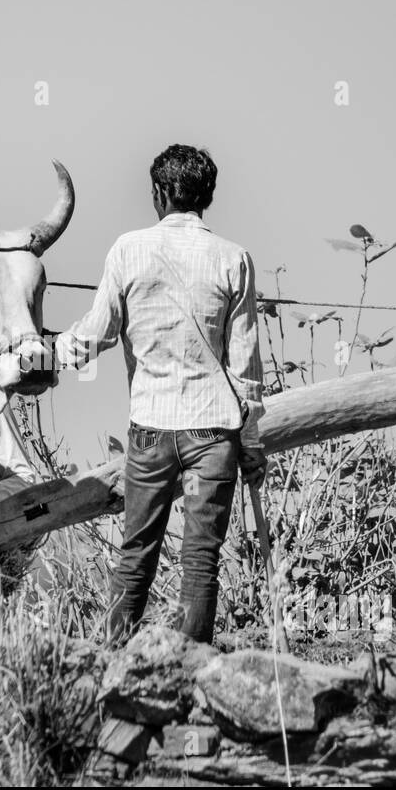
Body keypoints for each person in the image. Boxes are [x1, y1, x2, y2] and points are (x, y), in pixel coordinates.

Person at [54, 144, 266, 644]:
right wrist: (251, 443)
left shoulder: (128, 249)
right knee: (200, 562)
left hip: (151, 433)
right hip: (213, 434)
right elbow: (245, 369)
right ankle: (192, 677)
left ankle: (110, 663)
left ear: (158, 193)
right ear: (206, 196)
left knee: (137, 552)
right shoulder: (234, 259)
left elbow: (93, 338)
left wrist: (46, 351)